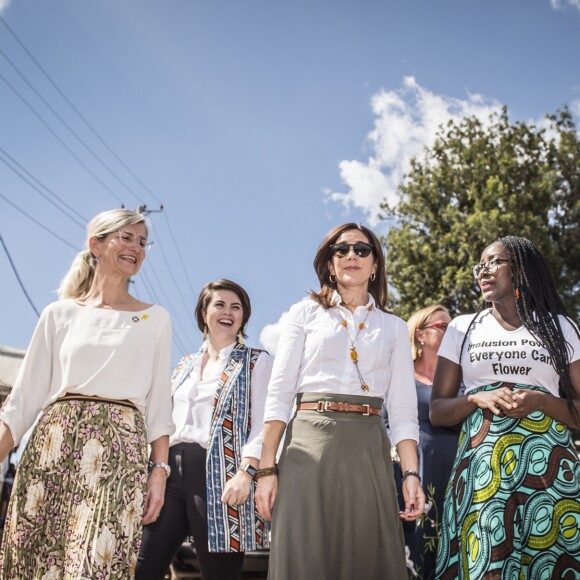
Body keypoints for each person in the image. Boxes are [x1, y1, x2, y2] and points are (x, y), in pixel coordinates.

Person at [0, 208, 174, 578]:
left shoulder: (155, 318)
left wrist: (158, 473)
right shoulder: (58, 314)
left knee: (98, 559)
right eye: (126, 237)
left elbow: (159, 404)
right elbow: (23, 401)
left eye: (143, 242)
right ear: (96, 244)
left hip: (118, 450)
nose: (136, 248)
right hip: (52, 447)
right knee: (36, 556)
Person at [255, 223, 425, 580]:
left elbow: (404, 411)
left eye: (362, 250)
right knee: (303, 555)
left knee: (368, 555)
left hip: (367, 447)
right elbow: (280, 394)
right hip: (307, 445)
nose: (352, 256)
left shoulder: (394, 327)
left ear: (375, 264)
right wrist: (267, 469)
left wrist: (411, 474)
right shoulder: (304, 313)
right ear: (329, 265)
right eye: (341, 250)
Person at [431, 236, 580, 579]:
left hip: (549, 470)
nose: (483, 271)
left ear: (521, 270)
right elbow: (437, 410)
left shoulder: (561, 327)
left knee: (549, 562)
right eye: (479, 266)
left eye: (493, 262)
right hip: (482, 469)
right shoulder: (462, 327)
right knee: (486, 561)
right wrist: (475, 398)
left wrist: (541, 401)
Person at [136, 279, 272, 580]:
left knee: (219, 573)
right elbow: (161, 419)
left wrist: (246, 472)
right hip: (169, 471)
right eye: (220, 305)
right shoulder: (183, 365)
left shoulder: (256, 362)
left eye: (236, 307)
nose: (228, 312)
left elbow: (265, 423)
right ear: (203, 312)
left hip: (220, 474)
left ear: (243, 317)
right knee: (144, 567)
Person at [400, 304, 459, 580]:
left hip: (457, 467)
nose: (451, 332)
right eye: (443, 326)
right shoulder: (401, 376)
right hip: (417, 466)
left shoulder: (462, 379)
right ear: (420, 335)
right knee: (418, 543)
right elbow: (389, 425)